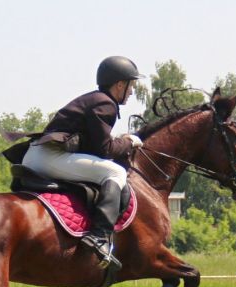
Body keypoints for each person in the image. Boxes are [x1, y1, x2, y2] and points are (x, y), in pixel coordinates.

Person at [22, 55, 145, 269]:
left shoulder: (94, 99)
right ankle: (99, 236)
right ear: (119, 85)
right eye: (131, 85)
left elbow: (92, 147)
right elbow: (105, 150)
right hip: (49, 157)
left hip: (38, 155)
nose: (132, 91)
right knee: (115, 173)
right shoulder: (106, 103)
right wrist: (129, 142)